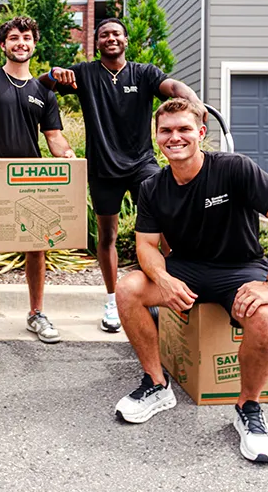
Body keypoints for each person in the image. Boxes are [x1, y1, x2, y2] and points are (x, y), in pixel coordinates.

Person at [114, 98, 268, 463]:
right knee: (128, 289)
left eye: (184, 129)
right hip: (185, 269)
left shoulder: (235, 169)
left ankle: (248, 408)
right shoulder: (153, 187)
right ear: (157, 138)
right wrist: (163, 278)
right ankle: (156, 384)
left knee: (264, 316)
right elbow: (146, 246)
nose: (175, 137)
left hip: (240, 268)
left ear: (201, 133)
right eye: (166, 131)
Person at [39, 17, 203, 333]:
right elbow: (43, 84)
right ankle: (113, 299)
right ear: (96, 42)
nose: (111, 38)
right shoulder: (84, 73)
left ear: (126, 40)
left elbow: (173, 87)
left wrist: (192, 101)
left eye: (116, 33)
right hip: (102, 168)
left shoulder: (144, 73)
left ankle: (172, 292)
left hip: (142, 165)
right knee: (108, 236)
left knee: (167, 231)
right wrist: (52, 74)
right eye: (104, 34)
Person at [0, 16, 75, 345]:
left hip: (31, 179)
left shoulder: (44, 92)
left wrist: (66, 155)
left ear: (34, 44)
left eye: (26, 37)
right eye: (13, 38)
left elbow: (54, 137)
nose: (20, 43)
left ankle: (36, 313)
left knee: (36, 246)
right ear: (3, 45)